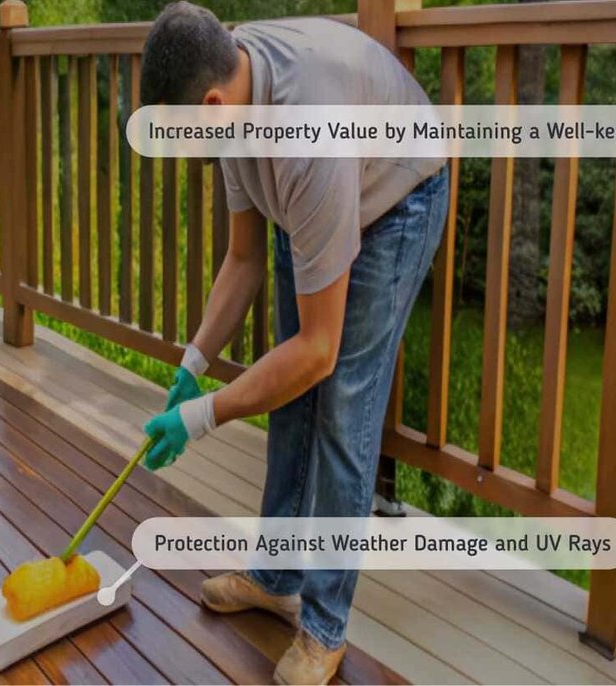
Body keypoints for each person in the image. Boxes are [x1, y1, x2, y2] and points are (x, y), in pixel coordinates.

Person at [137, 3, 449, 683]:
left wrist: (200, 417)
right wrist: (193, 365)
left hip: (395, 195)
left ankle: (325, 624)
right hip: (317, 199)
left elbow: (318, 351)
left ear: (212, 106)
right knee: (290, 402)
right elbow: (244, 260)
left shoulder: (307, 132)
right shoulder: (233, 99)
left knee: (342, 411)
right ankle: (276, 577)